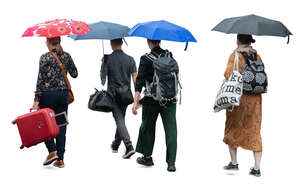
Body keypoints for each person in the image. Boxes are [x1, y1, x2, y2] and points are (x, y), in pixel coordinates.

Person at [132, 39, 178, 172]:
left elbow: (139, 81)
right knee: (171, 130)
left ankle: (147, 157)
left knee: (147, 126)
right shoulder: (169, 56)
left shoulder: (145, 58)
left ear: (148, 41)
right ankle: (171, 163)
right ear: (160, 41)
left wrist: (136, 101)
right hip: (170, 99)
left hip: (152, 99)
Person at [32, 37, 78, 168]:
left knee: (45, 125)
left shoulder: (44, 58)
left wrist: (36, 100)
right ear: (60, 42)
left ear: (47, 42)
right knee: (61, 126)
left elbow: (40, 80)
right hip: (62, 95)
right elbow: (75, 74)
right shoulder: (67, 56)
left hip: (47, 95)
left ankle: (52, 151)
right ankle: (61, 159)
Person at [223, 34, 263, 177]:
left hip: (238, 98)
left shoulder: (235, 55)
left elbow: (228, 74)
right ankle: (257, 167)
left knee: (233, 127)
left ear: (238, 40)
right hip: (255, 101)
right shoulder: (256, 55)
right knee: (254, 130)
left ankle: (234, 163)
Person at [100, 38, 137, 159]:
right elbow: (135, 79)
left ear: (111, 44)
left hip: (113, 96)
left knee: (119, 120)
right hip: (126, 95)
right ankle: (115, 145)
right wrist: (137, 95)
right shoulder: (130, 59)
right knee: (120, 118)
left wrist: (103, 63)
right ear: (121, 43)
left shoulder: (108, 58)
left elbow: (102, 79)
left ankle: (129, 146)